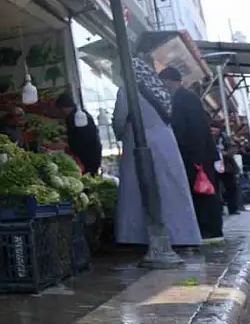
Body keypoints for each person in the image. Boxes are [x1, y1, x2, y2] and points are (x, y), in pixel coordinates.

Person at [112, 57, 201, 247]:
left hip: (140, 141)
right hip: (167, 144)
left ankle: (138, 238)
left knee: (138, 189)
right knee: (171, 189)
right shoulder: (158, 89)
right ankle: (182, 237)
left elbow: (120, 120)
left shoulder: (127, 90)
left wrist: (119, 132)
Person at [159, 67, 223, 241]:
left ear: (169, 81)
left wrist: (196, 157)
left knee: (204, 192)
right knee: (200, 191)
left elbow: (197, 129)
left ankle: (211, 231)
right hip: (195, 155)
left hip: (197, 156)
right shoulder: (182, 98)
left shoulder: (186, 98)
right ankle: (206, 230)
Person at [56, 93, 102, 175]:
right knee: (92, 175)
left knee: (88, 175)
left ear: (64, 108)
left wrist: (67, 143)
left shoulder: (73, 117)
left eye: (61, 110)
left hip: (87, 154)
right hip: (93, 150)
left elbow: (79, 137)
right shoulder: (81, 113)